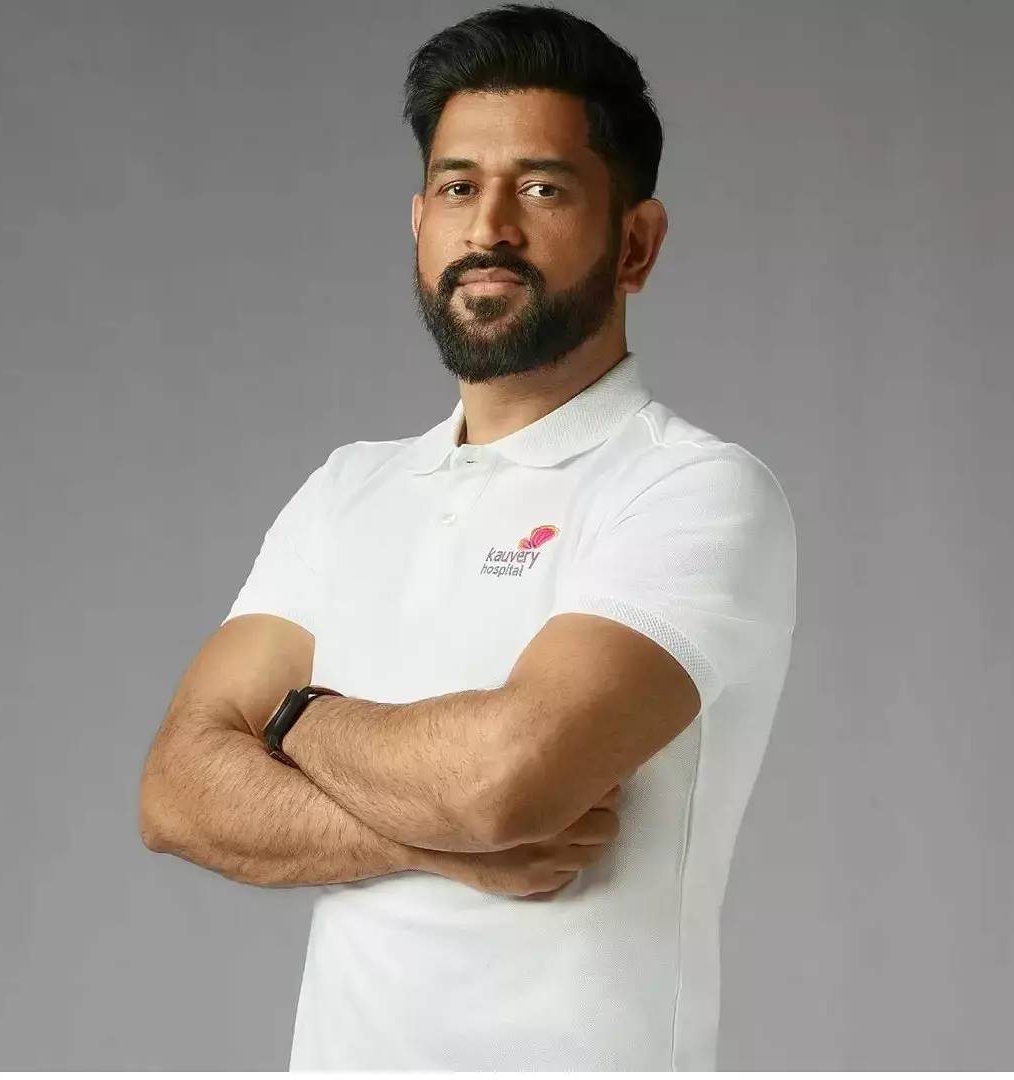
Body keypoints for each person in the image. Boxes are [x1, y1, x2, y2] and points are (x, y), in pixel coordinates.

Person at [139, 4, 797, 1071]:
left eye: (542, 188)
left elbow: (508, 782)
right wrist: (434, 846)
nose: (489, 226)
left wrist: (294, 717)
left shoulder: (692, 489)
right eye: (457, 187)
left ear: (635, 242)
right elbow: (176, 790)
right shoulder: (347, 490)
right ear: (419, 222)